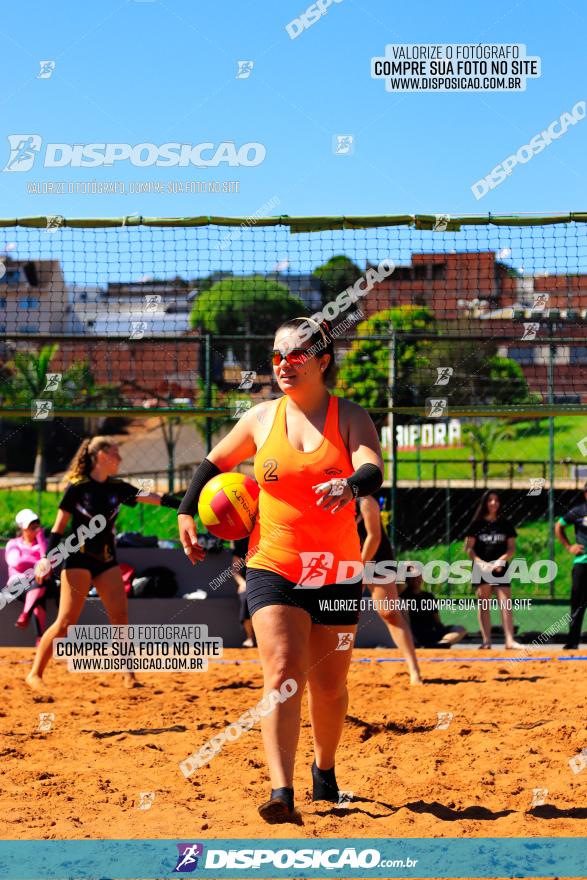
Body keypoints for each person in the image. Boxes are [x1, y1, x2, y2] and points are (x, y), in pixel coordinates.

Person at [178, 316, 384, 824]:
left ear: (321, 360)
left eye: (295, 355)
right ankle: (281, 790)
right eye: (276, 356)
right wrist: (186, 510)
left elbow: (372, 468)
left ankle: (324, 769)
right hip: (273, 564)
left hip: (335, 570)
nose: (283, 364)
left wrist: (350, 487)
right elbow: (213, 462)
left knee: (330, 686)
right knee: (283, 673)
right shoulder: (260, 419)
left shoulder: (350, 415)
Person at [25, 436, 182, 691]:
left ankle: (129, 676)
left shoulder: (117, 487)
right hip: (78, 560)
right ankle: (35, 673)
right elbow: (57, 529)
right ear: (102, 456)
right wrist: (45, 558)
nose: (120, 459)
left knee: (120, 618)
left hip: (106, 561)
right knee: (65, 624)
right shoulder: (78, 488)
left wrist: (184, 505)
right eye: (116, 454)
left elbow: (153, 496)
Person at [356, 494, 422, 684]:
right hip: (347, 556)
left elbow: (374, 537)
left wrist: (359, 568)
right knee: (343, 614)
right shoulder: (329, 497)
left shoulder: (365, 500)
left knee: (390, 613)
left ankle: (414, 669)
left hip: (377, 558)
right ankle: (334, 671)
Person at [464, 489, 523, 650]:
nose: (493, 503)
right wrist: (481, 563)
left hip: (500, 568)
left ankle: (509, 640)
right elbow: (468, 548)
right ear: (485, 503)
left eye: (496, 500)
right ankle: (486, 640)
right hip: (481, 568)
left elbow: (511, 548)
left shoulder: (505, 524)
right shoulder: (476, 524)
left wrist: (500, 561)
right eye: (490, 500)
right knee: (484, 603)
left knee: (505, 603)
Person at [5, 509, 52, 644]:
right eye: (31, 527)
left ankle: (25, 614)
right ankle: (40, 639)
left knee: (40, 584)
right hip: (18, 585)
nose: (35, 529)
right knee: (39, 585)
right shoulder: (13, 544)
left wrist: (41, 540)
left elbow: (50, 563)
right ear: (22, 528)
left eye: (37, 526)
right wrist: (39, 566)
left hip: (40, 583)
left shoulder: (43, 544)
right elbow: (15, 562)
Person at [400, 565, 467, 648]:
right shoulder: (403, 597)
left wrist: (442, 630)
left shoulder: (429, 596)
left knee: (460, 629)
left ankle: (442, 643)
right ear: (407, 579)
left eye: (418, 576)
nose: (416, 580)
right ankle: (430, 644)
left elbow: (437, 621)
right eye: (412, 577)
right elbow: (405, 622)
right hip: (415, 635)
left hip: (432, 633)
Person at [554, 481, 587, 649]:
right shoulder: (578, 511)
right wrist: (569, 546)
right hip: (582, 563)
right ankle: (572, 643)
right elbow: (559, 526)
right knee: (577, 604)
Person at [232, 536, 255, 647]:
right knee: (245, 597)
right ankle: (250, 638)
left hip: (268, 581)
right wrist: (242, 583)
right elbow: (235, 570)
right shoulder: (241, 542)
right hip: (248, 583)